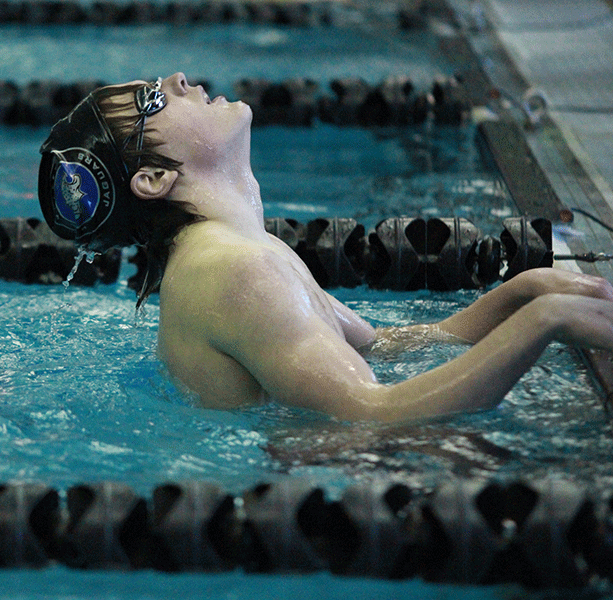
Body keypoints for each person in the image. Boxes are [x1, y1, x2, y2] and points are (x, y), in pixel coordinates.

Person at [38, 72, 613, 422]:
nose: (179, 82)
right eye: (152, 103)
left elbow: (384, 347)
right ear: (153, 180)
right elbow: (375, 416)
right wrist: (544, 320)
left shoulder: (235, 253)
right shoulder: (239, 271)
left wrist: (525, 291)